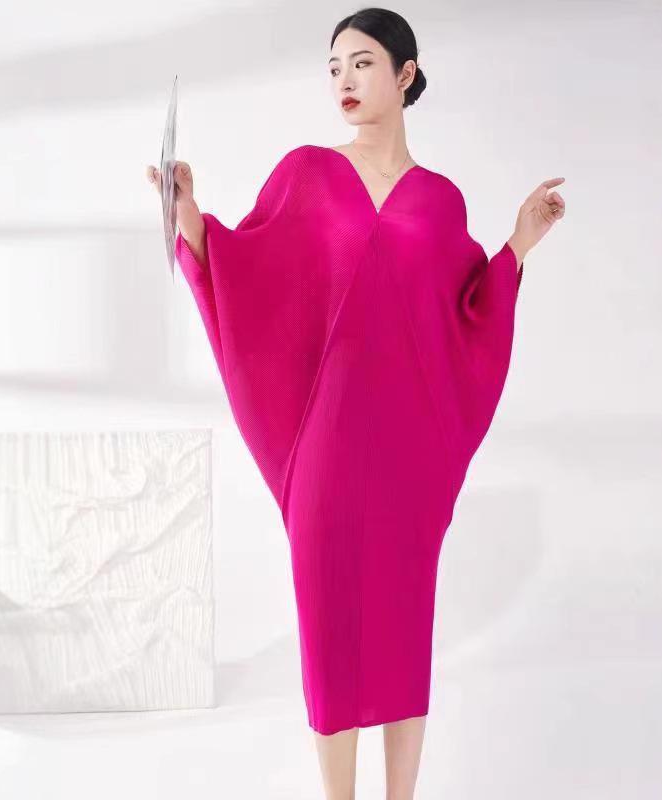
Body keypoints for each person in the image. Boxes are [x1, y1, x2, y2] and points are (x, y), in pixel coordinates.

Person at [147, 8, 564, 799]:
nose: (344, 79)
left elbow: (470, 313)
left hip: (410, 458)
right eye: (334, 66)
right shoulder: (305, 174)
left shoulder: (439, 201)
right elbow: (245, 271)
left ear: (405, 75)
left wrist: (517, 243)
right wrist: (188, 211)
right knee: (330, 632)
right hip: (327, 453)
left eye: (363, 63)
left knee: (404, 632)